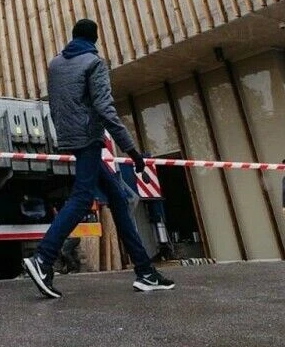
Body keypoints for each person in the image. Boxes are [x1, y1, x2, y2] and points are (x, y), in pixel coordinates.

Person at [23, 19, 176, 298]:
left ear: (73, 37)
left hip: (68, 136)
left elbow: (55, 103)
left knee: (118, 198)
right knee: (81, 198)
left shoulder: (56, 64)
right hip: (89, 138)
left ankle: (145, 272)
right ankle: (43, 259)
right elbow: (105, 109)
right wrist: (132, 151)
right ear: (95, 39)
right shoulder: (94, 63)